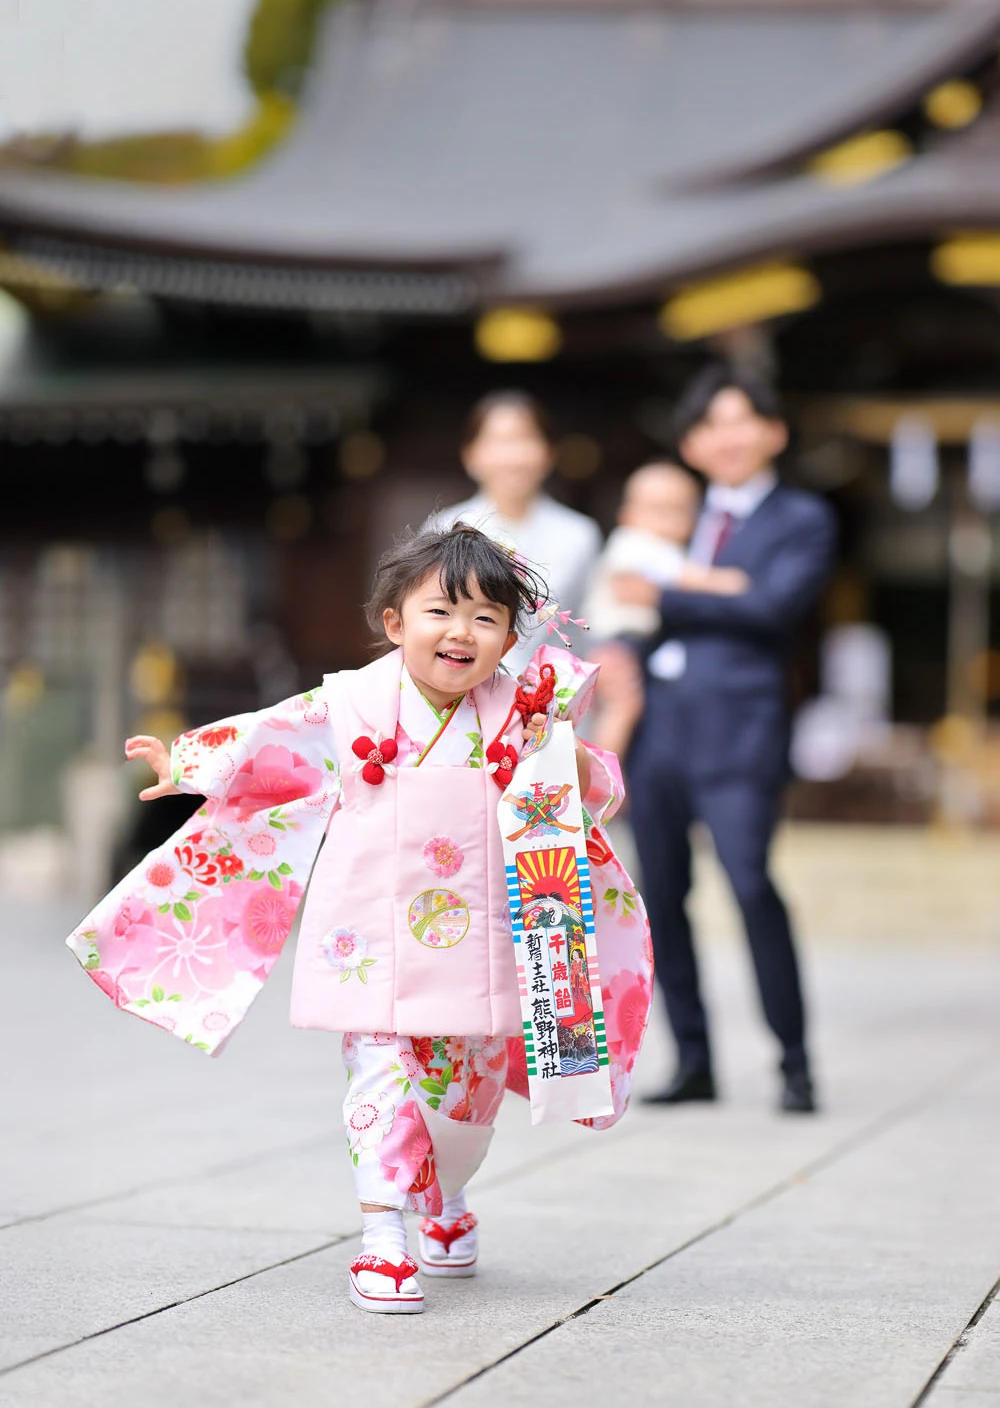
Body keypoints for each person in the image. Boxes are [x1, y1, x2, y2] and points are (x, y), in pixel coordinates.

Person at [67, 526, 652, 1315]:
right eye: (441, 610)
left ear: (510, 638)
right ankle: (385, 1238)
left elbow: (593, 791)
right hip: (370, 937)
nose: (460, 632)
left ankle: (445, 1197)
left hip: (478, 941)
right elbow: (271, 739)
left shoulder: (525, 715)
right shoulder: (348, 705)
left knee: (465, 1103)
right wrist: (190, 764)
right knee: (382, 1078)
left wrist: (574, 760)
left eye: (486, 619)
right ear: (394, 621)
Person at [613, 365, 836, 1114]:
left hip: (740, 734)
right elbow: (620, 603)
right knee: (662, 896)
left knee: (749, 885)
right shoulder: (676, 510)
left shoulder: (800, 517)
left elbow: (774, 609)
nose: (728, 436)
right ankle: (694, 1059)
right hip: (657, 735)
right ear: (691, 442)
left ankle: (794, 1061)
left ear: (774, 432)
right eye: (711, 423)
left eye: (743, 420)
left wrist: (666, 594)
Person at [427, 391, 602, 676]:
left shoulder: (579, 534)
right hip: (466, 692)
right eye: (499, 442)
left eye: (526, 440)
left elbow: (593, 625)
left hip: (553, 696)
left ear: (549, 452)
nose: (514, 456)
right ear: (470, 455)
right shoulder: (445, 528)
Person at [583, 460, 750, 756]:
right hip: (619, 638)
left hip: (636, 638)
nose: (667, 520)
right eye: (656, 510)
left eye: (678, 511)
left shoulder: (664, 548)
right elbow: (688, 577)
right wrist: (727, 582)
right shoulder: (637, 543)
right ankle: (600, 776)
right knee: (623, 704)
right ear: (627, 515)